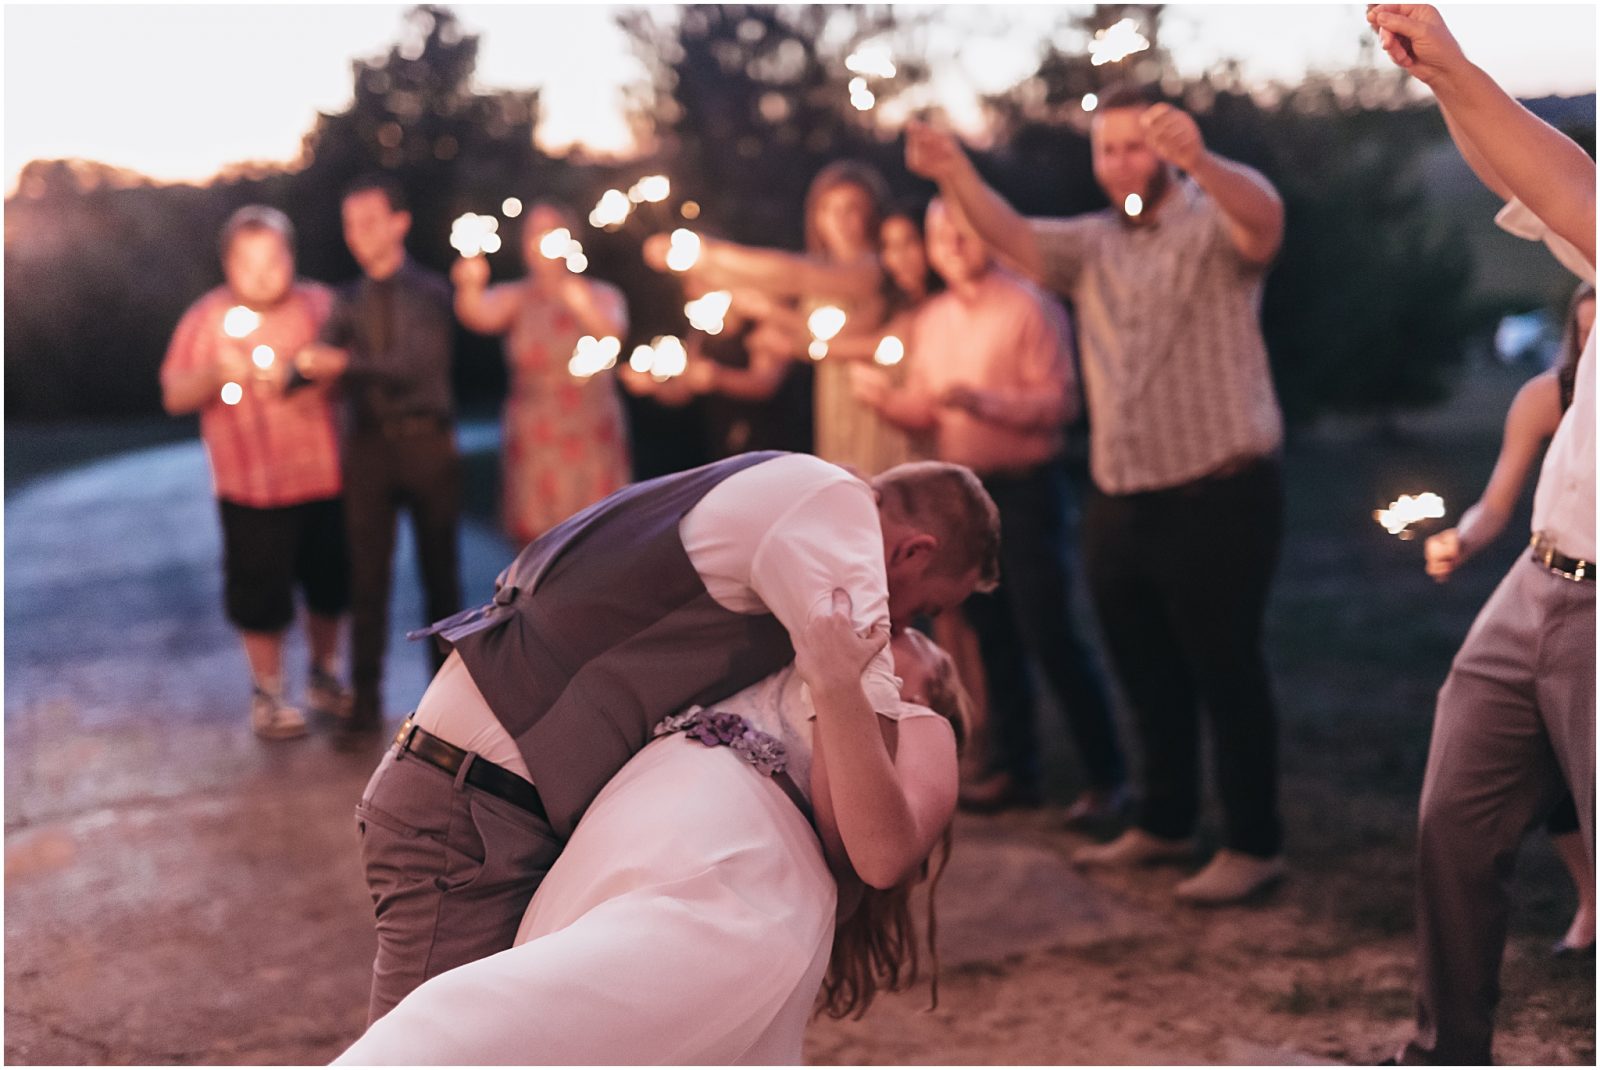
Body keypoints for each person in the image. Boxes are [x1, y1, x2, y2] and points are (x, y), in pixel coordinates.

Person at [351, 451, 999, 1022]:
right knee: (431, 1048)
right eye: (931, 607)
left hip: (496, 811)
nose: (913, 628)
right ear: (913, 552)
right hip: (466, 812)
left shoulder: (779, 493)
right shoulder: (836, 514)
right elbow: (869, 843)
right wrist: (846, 694)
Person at [906, 84, 1290, 903]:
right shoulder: (1093, 245)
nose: (1120, 162)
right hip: (1124, 497)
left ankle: (1255, 844)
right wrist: (952, 173)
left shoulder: (1215, 223)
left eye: (1135, 145)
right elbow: (1006, 233)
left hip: (1219, 491)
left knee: (1224, 669)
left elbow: (1266, 218)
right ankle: (1164, 820)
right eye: (1107, 148)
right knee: (1144, 668)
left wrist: (1202, 161)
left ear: (1167, 147)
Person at [335, 619, 968, 1064]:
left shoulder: (922, 723)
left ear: (931, 688)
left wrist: (841, 690)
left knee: (481, 1019)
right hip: (625, 842)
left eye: (927, 649)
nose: (906, 634)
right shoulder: (776, 654)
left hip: (734, 878)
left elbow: (888, 852)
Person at [1366, 5, 1595, 1063]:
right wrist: (1443, 83)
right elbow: (1531, 184)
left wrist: (1459, 69)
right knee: (1452, 822)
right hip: (1537, 578)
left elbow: (1563, 185)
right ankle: (1445, 1047)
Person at [854, 196, 1126, 823]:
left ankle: (1107, 777)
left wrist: (984, 402)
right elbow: (927, 410)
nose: (950, 243)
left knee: (1048, 629)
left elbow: (1060, 404)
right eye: (938, 234)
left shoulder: (1030, 305)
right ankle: (1015, 769)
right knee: (990, 635)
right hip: (963, 498)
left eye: (962, 230)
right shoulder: (935, 319)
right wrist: (883, 403)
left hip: (1025, 493)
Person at [1423, 282, 1595, 959]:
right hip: (1540, 579)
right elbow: (1495, 505)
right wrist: (1461, 540)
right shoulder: (1544, 398)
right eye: (1582, 336)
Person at [159, 205, 350, 741]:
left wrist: (311, 370)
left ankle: (325, 676)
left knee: (330, 585)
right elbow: (174, 393)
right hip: (250, 486)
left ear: (291, 256)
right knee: (260, 593)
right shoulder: (207, 318)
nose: (263, 273)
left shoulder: (322, 306)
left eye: (273, 258)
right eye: (248, 261)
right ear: (227, 264)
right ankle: (268, 693)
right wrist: (218, 371)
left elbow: (353, 369)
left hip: (325, 477)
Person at [299, 174, 462, 731]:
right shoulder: (347, 300)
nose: (357, 235)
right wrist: (292, 369)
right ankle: (365, 706)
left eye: (369, 221)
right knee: (367, 579)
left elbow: (414, 366)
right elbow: (321, 357)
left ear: (400, 222)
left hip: (425, 443)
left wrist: (342, 365)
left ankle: (450, 712)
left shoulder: (433, 293)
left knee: (441, 578)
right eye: (349, 224)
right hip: (368, 448)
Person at [644, 161, 912, 476]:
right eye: (828, 208)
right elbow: (814, 336)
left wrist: (704, 254)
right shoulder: (823, 271)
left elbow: (793, 275)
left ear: (872, 215)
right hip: (835, 401)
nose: (839, 220)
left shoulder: (872, 270)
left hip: (879, 404)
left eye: (851, 209)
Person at [451, 202, 632, 545]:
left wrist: (575, 299)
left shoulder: (600, 294)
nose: (539, 240)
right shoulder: (517, 297)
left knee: (596, 534)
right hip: (536, 429)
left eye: (548, 230)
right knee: (539, 539)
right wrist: (469, 283)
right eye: (533, 231)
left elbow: (614, 336)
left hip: (590, 425)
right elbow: (476, 314)